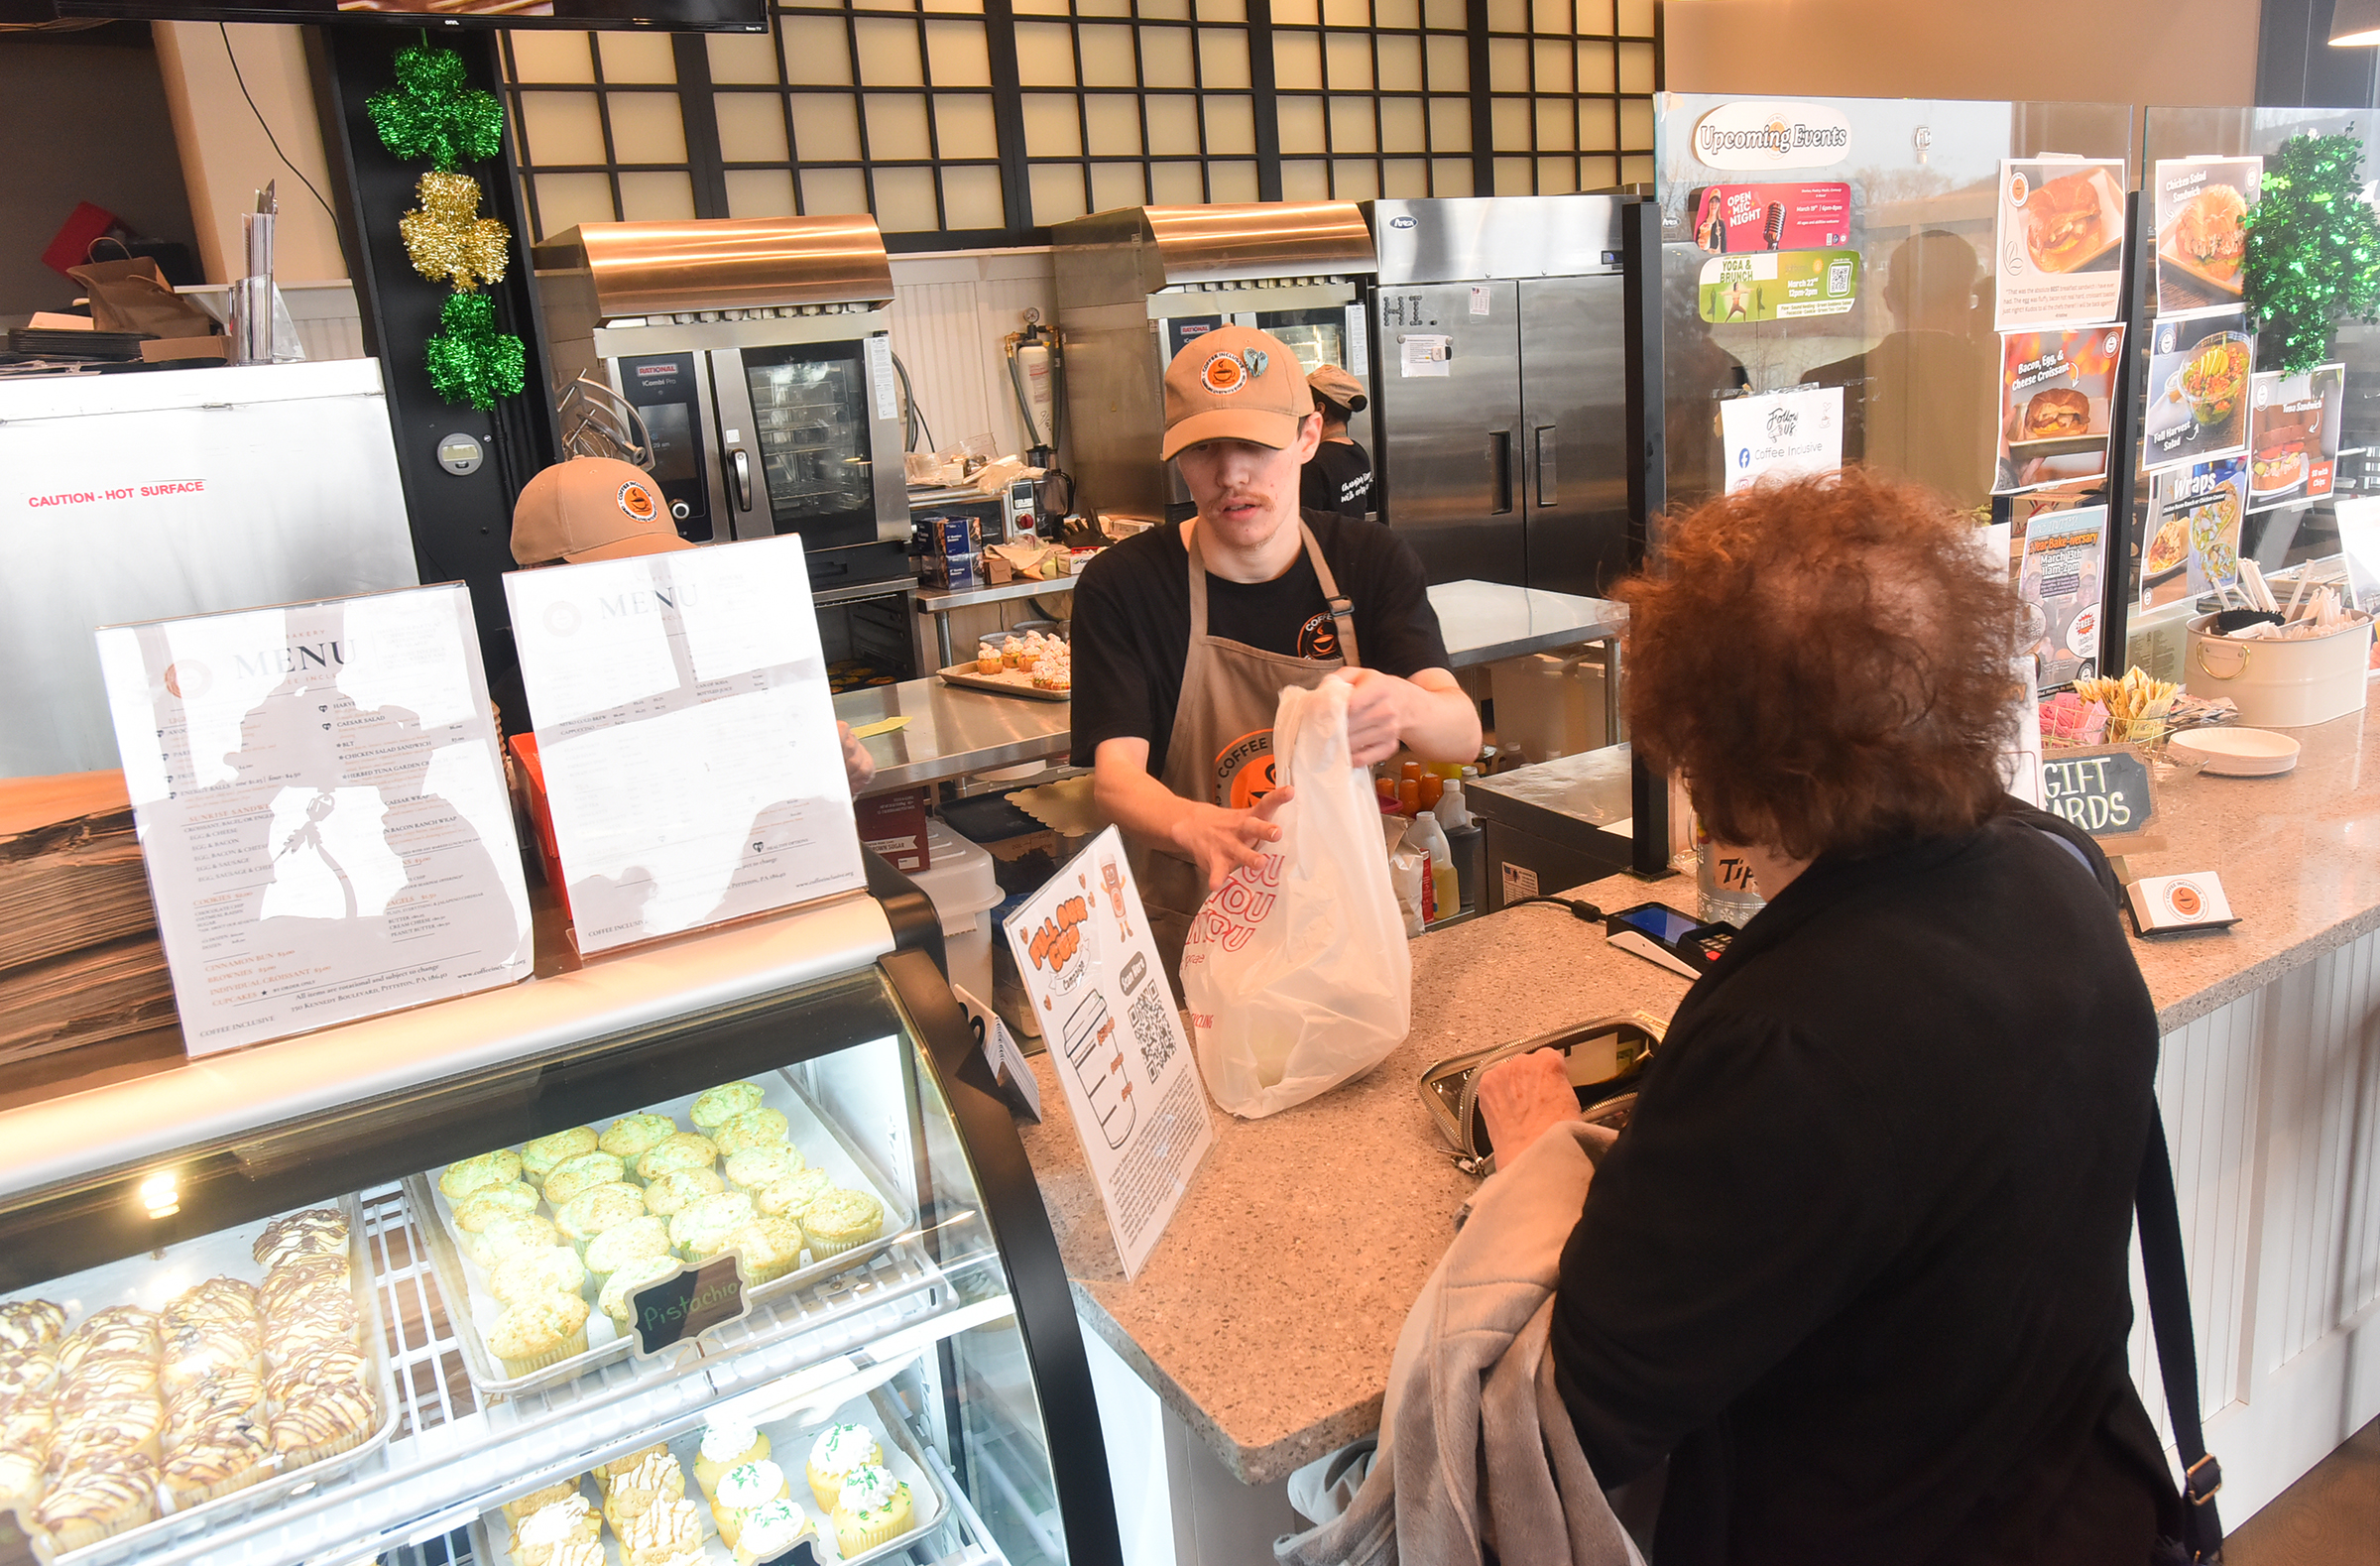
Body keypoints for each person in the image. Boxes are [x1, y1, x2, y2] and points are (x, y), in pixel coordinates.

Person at [1476, 470, 2179, 1565]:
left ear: (1713, 748)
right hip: (2089, 1507)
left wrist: (1533, 1163)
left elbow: (1593, 1408)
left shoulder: (1791, 1041)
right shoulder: (2060, 881)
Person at [1069, 325, 1479, 977]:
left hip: (1344, 931)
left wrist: (1404, 705)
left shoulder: (1368, 562)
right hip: (1195, 940)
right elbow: (1116, 778)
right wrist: (1195, 825)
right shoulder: (1124, 586)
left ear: (1308, 435)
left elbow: (1460, 732)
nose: (1231, 474)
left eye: (1255, 444)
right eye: (1203, 448)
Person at [510, 456, 874, 794]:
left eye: (657, 567)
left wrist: (838, 779)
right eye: (616, 572)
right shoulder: (521, 706)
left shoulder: (709, 667)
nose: (647, 586)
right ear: (537, 576)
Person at [1299, 363, 1373, 519]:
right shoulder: (1358, 451)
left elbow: (1306, 524)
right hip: (1352, 541)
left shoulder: (1315, 463)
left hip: (1326, 544)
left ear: (1320, 409)